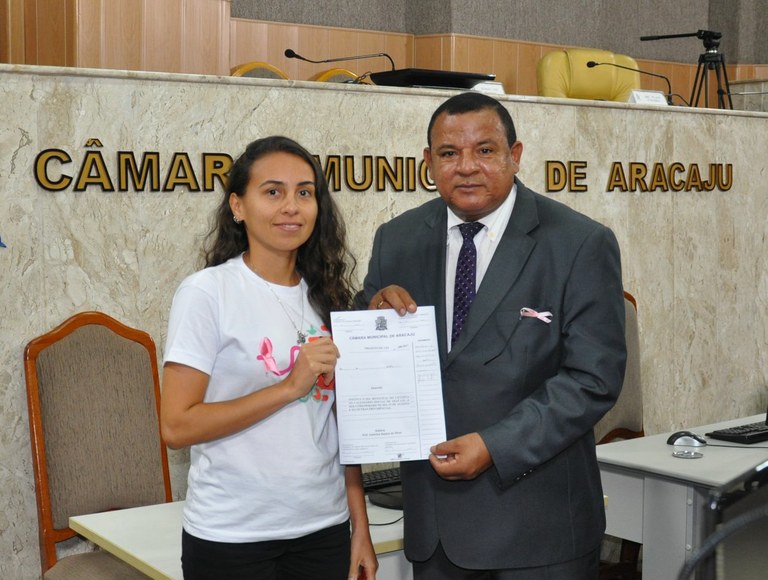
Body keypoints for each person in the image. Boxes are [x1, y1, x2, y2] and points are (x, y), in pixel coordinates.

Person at [358, 92, 627, 579]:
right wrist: (372, 317)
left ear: (515, 155)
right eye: (448, 153)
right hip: (436, 531)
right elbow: (369, 349)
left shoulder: (579, 243)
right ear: (428, 162)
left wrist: (495, 445)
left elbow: (594, 379)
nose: (466, 167)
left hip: (540, 530)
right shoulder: (395, 240)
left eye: (484, 150)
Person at [161, 136, 377, 580]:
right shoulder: (207, 292)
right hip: (233, 537)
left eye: (304, 192)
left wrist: (360, 526)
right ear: (238, 206)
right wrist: (288, 388)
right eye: (273, 192)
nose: (291, 206)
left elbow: (341, 424)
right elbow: (176, 427)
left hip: (323, 529)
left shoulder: (327, 296)